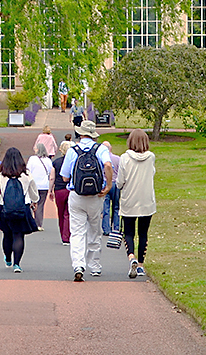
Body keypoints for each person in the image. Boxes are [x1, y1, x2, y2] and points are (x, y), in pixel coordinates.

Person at [60, 120, 113, 281]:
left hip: (77, 195)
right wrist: (108, 185)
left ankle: (78, 265)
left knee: (77, 232)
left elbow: (64, 176)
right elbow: (108, 166)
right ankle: (95, 266)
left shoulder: (72, 150)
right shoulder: (101, 149)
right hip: (96, 196)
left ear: (80, 133)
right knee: (94, 230)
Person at [0, 147, 39, 273]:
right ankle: (17, 264)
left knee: (7, 233)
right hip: (23, 206)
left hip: (5, 207)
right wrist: (34, 201)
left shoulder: (0, 175)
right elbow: (33, 192)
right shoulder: (26, 174)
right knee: (18, 234)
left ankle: (8, 257)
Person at [118, 129, 156, 279]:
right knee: (143, 233)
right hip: (146, 200)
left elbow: (121, 181)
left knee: (128, 232)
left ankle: (131, 257)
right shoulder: (151, 157)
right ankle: (140, 264)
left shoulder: (124, 158)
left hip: (129, 199)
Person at [48, 139, 71, 244]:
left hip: (59, 190)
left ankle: (63, 234)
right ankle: (68, 234)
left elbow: (52, 177)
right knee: (69, 213)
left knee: (61, 213)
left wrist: (50, 190)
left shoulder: (56, 162)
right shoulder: (72, 161)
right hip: (70, 189)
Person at [26, 142, 53, 230]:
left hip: (33, 185)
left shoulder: (32, 159)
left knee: (30, 203)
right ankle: (38, 224)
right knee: (40, 205)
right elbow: (50, 172)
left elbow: (28, 171)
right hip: (44, 185)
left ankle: (30, 222)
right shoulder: (48, 160)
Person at [101, 141, 121, 236]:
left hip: (106, 183)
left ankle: (106, 228)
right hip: (116, 183)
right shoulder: (118, 159)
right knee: (116, 206)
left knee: (106, 207)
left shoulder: (102, 159)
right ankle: (116, 228)